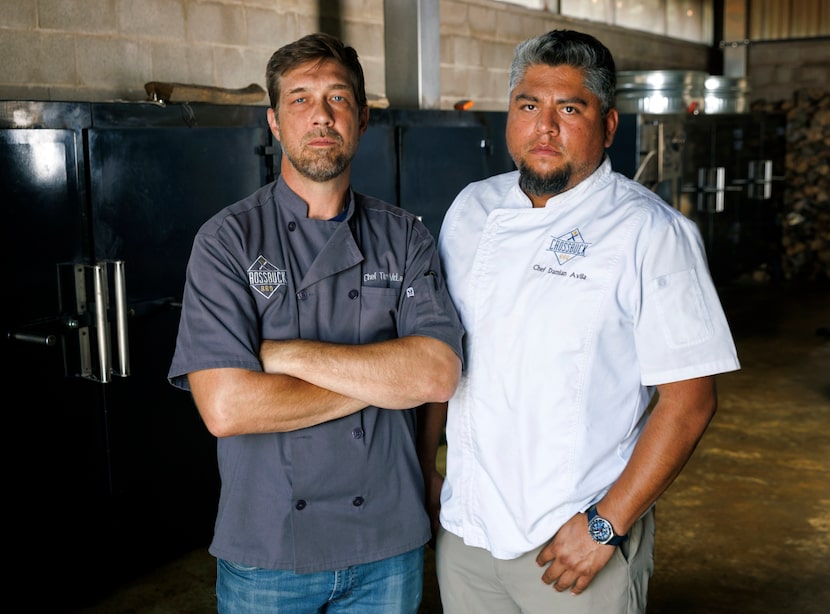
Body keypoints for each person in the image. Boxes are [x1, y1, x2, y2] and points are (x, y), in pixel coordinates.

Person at [431, 29, 741, 614]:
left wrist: (607, 524)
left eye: (568, 108)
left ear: (608, 125)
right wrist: (428, 476)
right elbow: (440, 358)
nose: (544, 128)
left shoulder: (650, 232)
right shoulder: (471, 210)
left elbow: (691, 400)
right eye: (528, 105)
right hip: (468, 535)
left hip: (573, 547)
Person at [167, 32, 463, 614]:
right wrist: (381, 381)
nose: (320, 116)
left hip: (387, 539)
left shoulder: (404, 236)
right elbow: (227, 409)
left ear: (362, 117)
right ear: (274, 122)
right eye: (300, 99)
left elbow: (435, 375)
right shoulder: (227, 241)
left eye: (338, 98)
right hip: (269, 548)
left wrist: (283, 354)